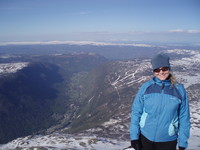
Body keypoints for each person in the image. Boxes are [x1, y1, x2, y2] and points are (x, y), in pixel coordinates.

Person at [130, 54, 190, 150]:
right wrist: (134, 137)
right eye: (157, 70)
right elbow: (136, 112)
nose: (161, 72)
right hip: (145, 138)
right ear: (154, 71)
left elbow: (184, 117)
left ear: (169, 69)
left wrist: (182, 143)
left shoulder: (179, 89)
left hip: (168, 141)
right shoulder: (146, 87)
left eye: (164, 69)